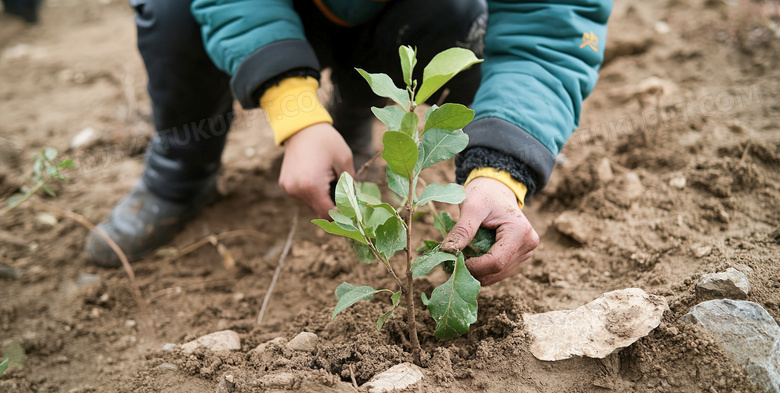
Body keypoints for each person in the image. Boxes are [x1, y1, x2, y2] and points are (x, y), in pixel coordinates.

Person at [86, 0, 611, 286]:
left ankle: (355, 116)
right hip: (269, 9)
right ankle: (180, 172)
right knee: (173, 8)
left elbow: (552, 30)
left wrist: (500, 172)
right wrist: (294, 112)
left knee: (456, 13)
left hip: (399, 14)